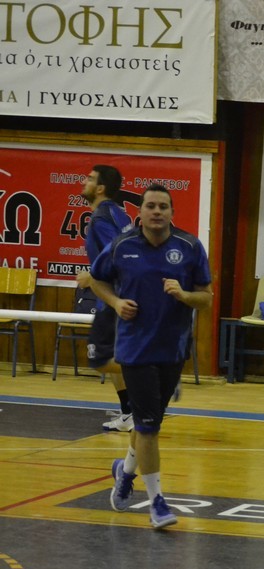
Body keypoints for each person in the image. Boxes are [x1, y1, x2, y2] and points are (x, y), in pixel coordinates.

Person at [90, 183, 213, 529]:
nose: (157, 211)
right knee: (147, 428)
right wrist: (116, 302)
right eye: (151, 206)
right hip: (135, 350)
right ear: (140, 212)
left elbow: (206, 298)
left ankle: (125, 471)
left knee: (150, 424)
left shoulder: (189, 247)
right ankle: (157, 503)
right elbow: (95, 279)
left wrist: (183, 295)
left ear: (172, 212)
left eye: (163, 206)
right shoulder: (122, 245)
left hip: (172, 350)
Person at [76, 165, 135, 432]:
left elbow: (119, 252)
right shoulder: (117, 213)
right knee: (111, 357)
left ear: (100, 188)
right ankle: (129, 412)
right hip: (117, 295)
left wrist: (91, 276)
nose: (84, 181)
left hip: (114, 297)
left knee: (100, 359)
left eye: (89, 179)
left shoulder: (101, 219)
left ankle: (151, 376)